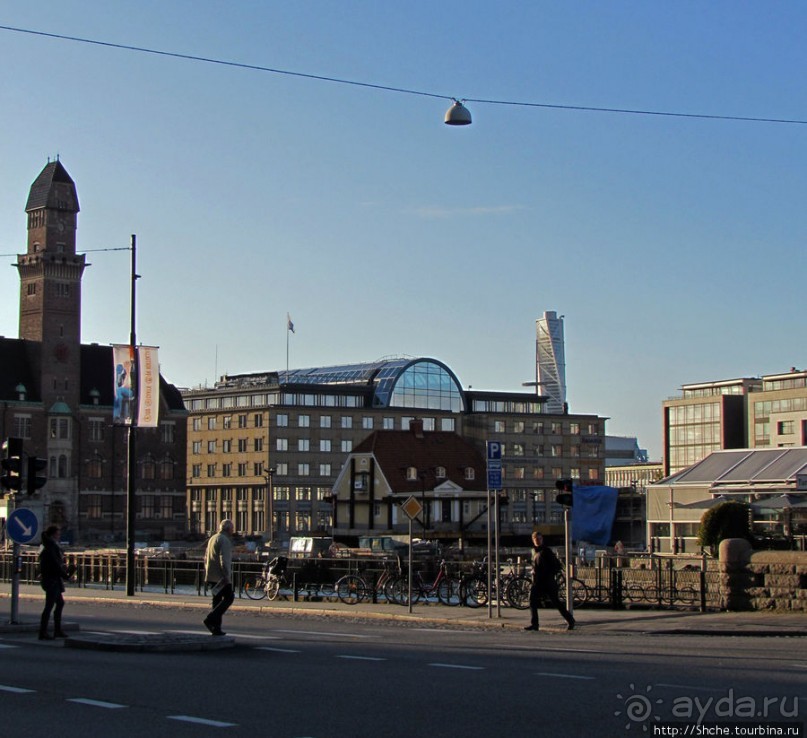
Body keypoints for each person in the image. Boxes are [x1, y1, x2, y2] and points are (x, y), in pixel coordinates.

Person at [525, 531, 575, 632]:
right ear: (533, 540)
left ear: (542, 539)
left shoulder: (546, 551)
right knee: (532, 601)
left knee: (556, 602)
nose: (538, 541)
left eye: (539, 539)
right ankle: (534, 624)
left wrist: (546, 573)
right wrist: (534, 570)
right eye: (536, 539)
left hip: (547, 582)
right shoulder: (535, 552)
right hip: (538, 581)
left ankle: (570, 620)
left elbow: (555, 566)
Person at [203, 519, 235, 636]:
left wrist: (207, 571)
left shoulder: (212, 538)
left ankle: (216, 628)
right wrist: (226, 576)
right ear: (227, 529)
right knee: (229, 597)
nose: (233, 531)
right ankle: (211, 618)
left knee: (216, 601)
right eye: (232, 528)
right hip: (221, 577)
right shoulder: (225, 540)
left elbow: (205, 557)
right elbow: (224, 560)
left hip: (211, 575)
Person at [39, 525, 69, 640]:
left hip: (51, 579)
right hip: (51, 579)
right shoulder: (50, 546)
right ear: (53, 535)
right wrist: (65, 575)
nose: (59, 535)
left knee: (60, 603)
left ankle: (57, 630)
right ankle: (43, 632)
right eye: (57, 533)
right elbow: (55, 563)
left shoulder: (46, 545)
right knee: (49, 606)